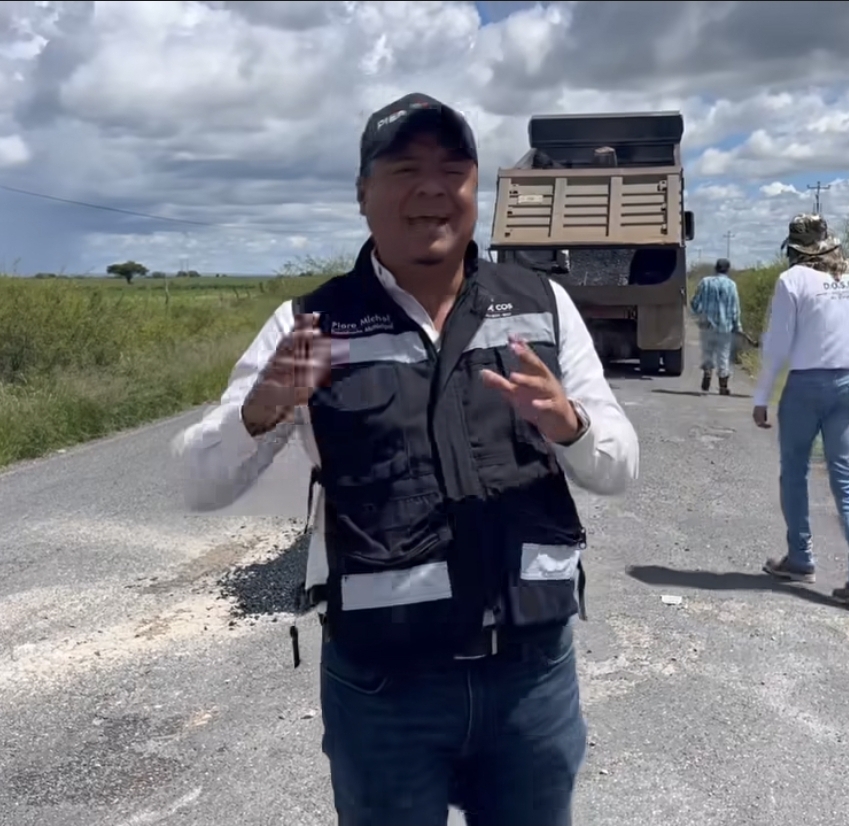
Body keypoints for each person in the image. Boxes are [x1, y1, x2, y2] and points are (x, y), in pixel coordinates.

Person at [172, 92, 639, 826]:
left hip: (532, 680)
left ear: (477, 188)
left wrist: (571, 425)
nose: (431, 189)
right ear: (363, 193)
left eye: (453, 170)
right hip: (384, 693)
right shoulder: (310, 324)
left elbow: (620, 466)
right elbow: (196, 482)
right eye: (404, 170)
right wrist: (261, 410)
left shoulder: (542, 305)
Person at [751, 214, 849, 605]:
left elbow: (777, 344)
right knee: (844, 475)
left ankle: (800, 557)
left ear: (795, 249)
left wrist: (762, 397)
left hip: (807, 385)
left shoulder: (792, 280)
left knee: (795, 470)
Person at [689, 258, 743, 395]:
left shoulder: (705, 282)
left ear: (715, 268)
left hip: (707, 326)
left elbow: (694, 303)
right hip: (725, 327)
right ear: (728, 270)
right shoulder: (731, 285)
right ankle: (723, 386)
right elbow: (735, 308)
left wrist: (699, 315)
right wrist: (737, 326)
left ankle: (707, 372)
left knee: (707, 353)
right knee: (723, 356)